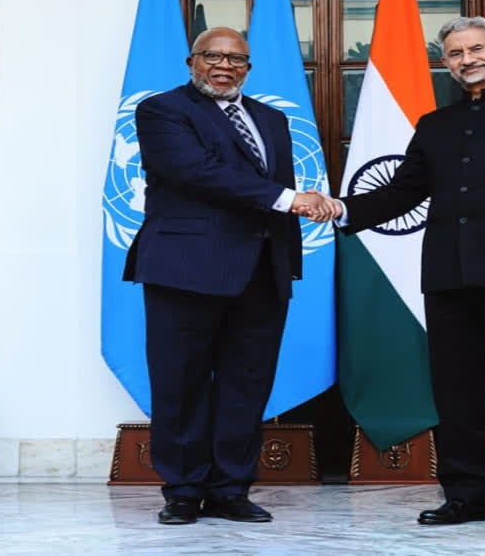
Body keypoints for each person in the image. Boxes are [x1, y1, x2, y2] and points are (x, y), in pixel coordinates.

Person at [304, 16, 485, 529]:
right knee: (455, 393)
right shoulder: (435, 127)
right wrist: (341, 208)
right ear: (446, 63)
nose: (468, 59)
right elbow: (402, 192)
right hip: (449, 278)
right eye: (456, 53)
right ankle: (467, 495)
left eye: (477, 48)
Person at [125, 27, 336, 525]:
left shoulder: (272, 119)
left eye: (236, 58)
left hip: (263, 271)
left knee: (247, 385)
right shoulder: (162, 111)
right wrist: (291, 199)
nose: (224, 65)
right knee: (180, 383)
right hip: (185, 269)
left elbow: (270, 184)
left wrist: (288, 250)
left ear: (248, 67)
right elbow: (196, 172)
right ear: (191, 61)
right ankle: (182, 489)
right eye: (212, 56)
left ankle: (231, 488)